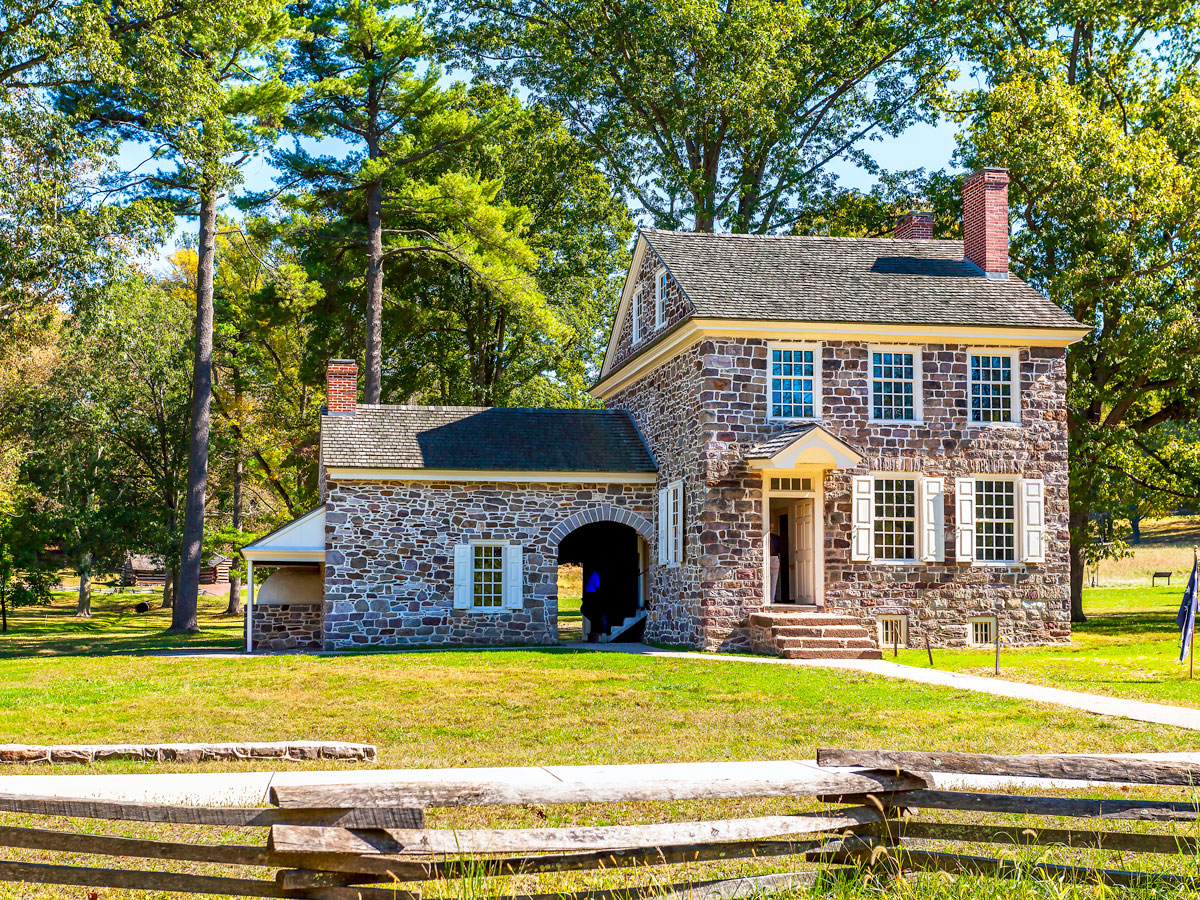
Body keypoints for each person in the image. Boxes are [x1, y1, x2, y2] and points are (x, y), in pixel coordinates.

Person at [770, 527, 783, 603]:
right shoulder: (777, 538)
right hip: (774, 558)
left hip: (766, 557)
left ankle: (766, 598)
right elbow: (781, 550)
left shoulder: (766, 537)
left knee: (765, 580)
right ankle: (772, 599)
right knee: (774, 581)